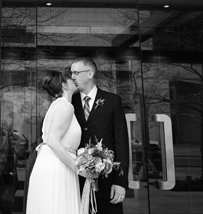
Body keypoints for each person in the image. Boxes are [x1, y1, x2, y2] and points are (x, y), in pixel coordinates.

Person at [71, 58, 129, 214]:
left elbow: (121, 142)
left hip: (107, 183)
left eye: (76, 72)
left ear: (90, 73)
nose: (73, 77)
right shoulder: (70, 102)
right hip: (76, 182)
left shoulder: (112, 101)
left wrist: (120, 182)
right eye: (71, 73)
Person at [26, 69, 81, 214]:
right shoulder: (65, 106)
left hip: (50, 162)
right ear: (64, 84)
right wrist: (77, 168)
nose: (74, 79)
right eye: (71, 78)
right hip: (59, 165)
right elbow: (53, 141)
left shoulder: (56, 105)